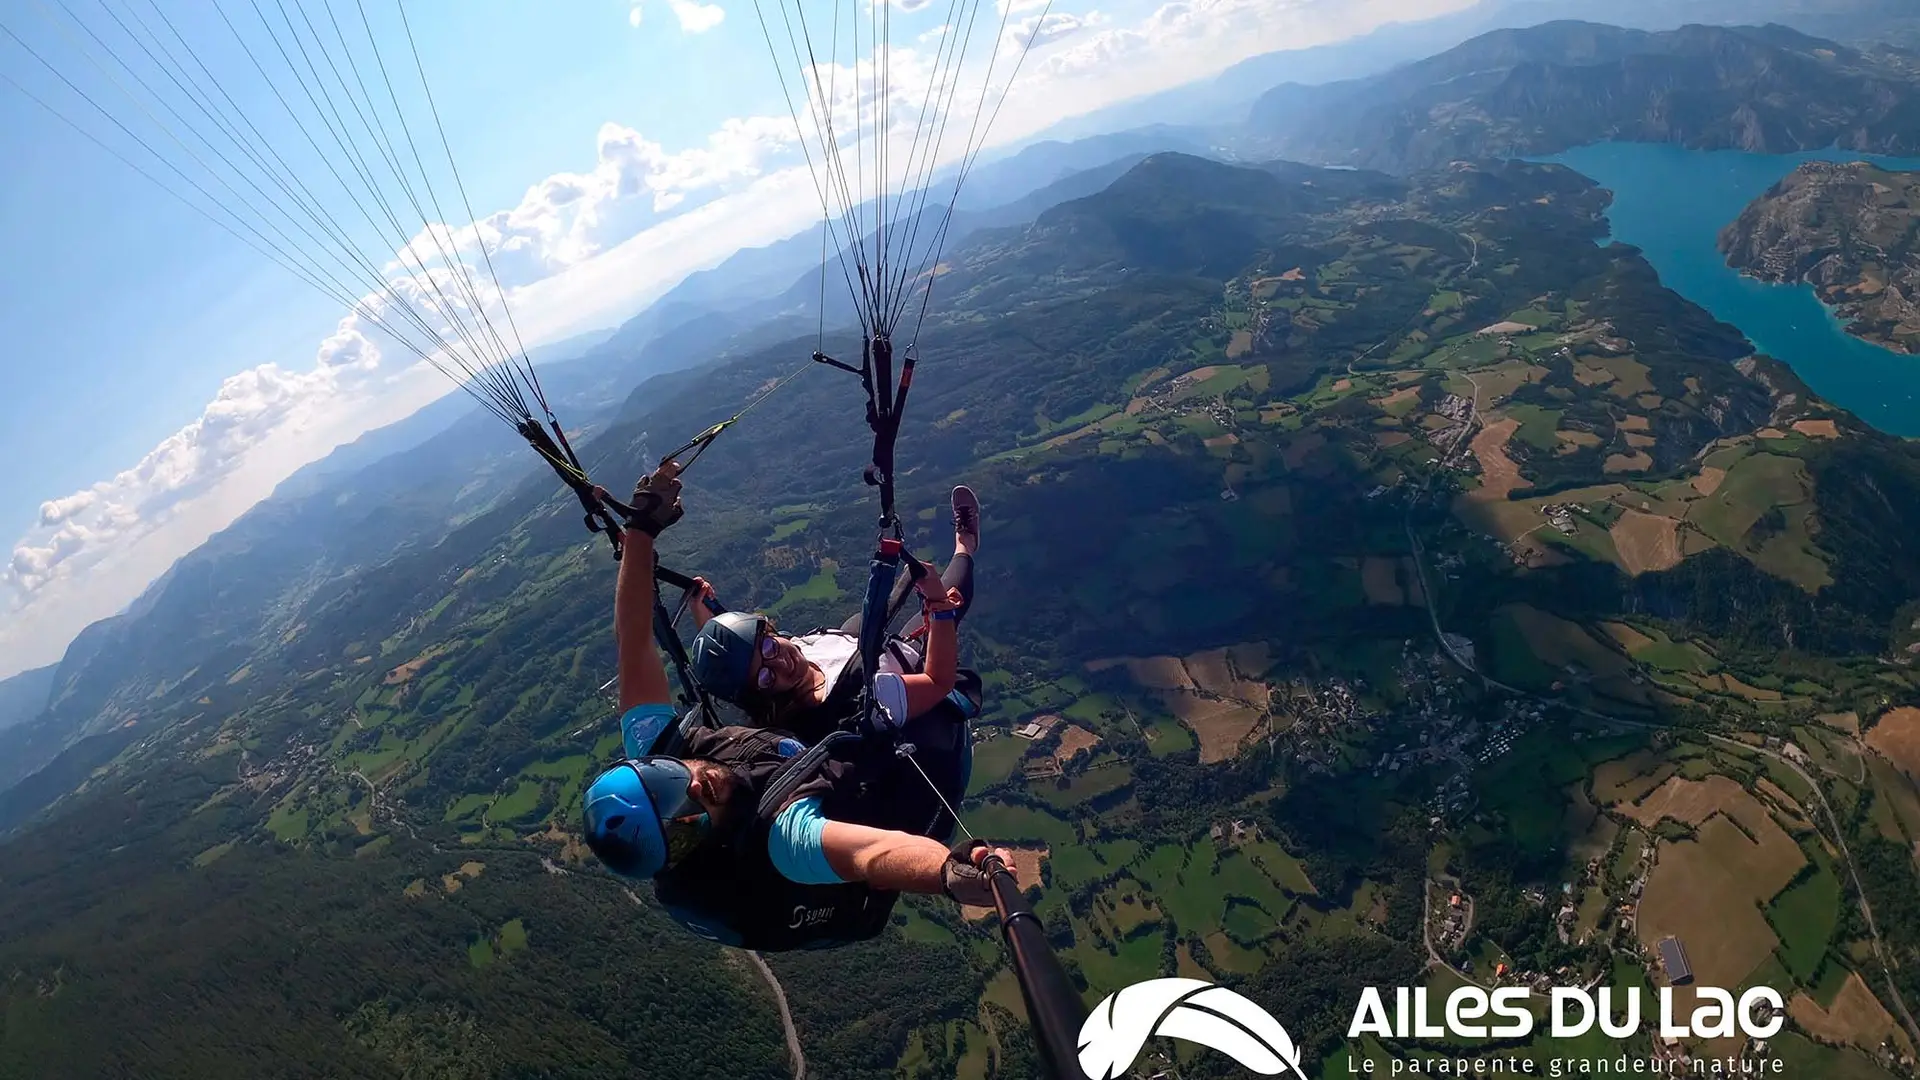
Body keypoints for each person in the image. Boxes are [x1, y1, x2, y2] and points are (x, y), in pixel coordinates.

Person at [579, 461, 1013, 951]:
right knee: (932, 608)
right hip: (908, 775)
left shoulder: (659, 739)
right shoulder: (779, 837)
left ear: (653, 764)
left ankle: (960, 555)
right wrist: (946, 872)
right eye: (686, 815)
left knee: (865, 627)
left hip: (841, 688)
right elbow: (870, 855)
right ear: (688, 850)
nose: (697, 786)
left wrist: (641, 531)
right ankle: (965, 548)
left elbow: (633, 640)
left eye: (669, 783)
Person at [685, 485, 982, 745]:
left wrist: (709, 623)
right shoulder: (860, 699)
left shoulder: (785, 671)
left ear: (771, 632)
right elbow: (937, 681)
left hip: (860, 647)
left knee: (855, 625)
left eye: (769, 646)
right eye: (765, 676)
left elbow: (743, 664)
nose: (779, 663)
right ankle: (965, 543)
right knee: (946, 600)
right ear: (762, 696)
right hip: (905, 666)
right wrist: (938, 603)